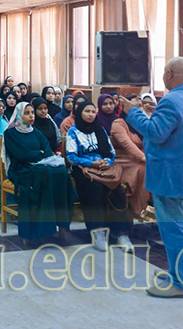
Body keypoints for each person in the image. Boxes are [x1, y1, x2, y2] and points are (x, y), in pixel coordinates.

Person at [121, 56, 183, 299]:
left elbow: (155, 133)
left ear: (169, 74)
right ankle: (179, 273)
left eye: (163, 72)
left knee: (173, 229)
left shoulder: (171, 100)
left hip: (171, 175)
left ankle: (181, 284)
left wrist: (134, 112)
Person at [67, 101, 134, 253]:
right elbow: (72, 156)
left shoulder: (100, 129)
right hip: (83, 168)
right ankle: (98, 231)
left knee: (117, 190)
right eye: (87, 111)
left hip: (103, 167)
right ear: (80, 113)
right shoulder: (73, 131)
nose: (90, 115)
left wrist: (106, 162)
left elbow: (111, 152)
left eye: (93, 112)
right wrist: (92, 163)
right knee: (94, 189)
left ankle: (121, 233)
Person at [5, 102, 74, 242]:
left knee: (61, 172)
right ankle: (39, 230)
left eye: (32, 112)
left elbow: (47, 151)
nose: (31, 116)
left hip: (40, 166)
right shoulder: (10, 133)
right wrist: (39, 153)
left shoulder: (36, 132)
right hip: (21, 169)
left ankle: (61, 223)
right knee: (45, 174)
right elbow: (20, 155)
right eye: (27, 113)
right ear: (19, 115)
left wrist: (37, 154)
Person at [109, 103, 150, 216]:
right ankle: (140, 207)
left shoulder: (141, 125)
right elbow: (127, 144)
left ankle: (155, 205)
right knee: (143, 168)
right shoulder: (119, 124)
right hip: (123, 158)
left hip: (141, 156)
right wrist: (143, 158)